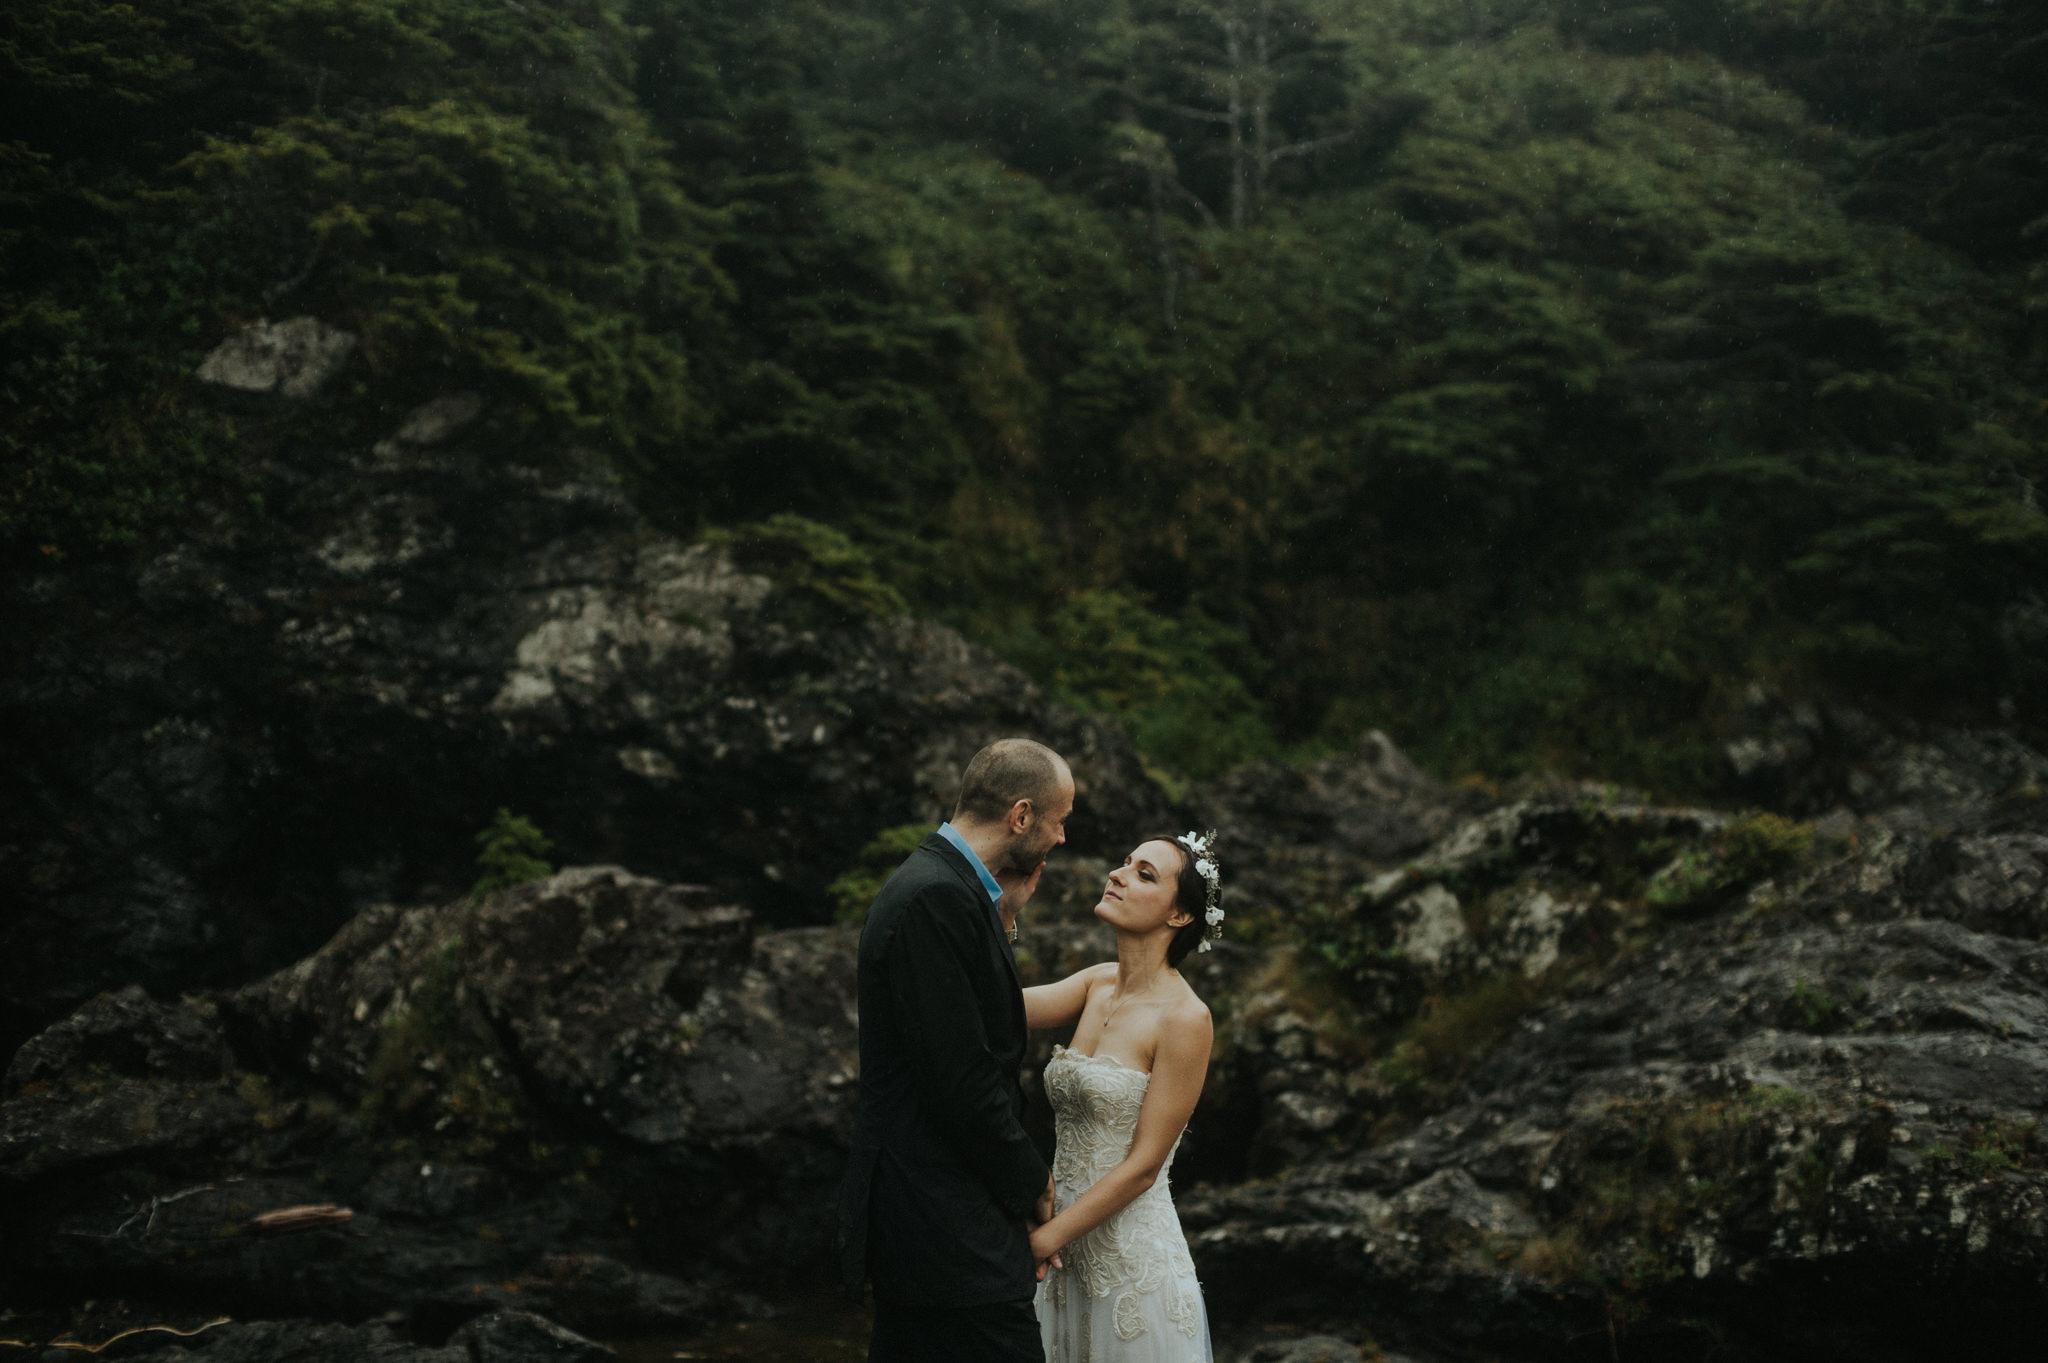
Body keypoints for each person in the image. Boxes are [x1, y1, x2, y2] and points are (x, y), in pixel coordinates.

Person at [837, 738, 1076, 1362]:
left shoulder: (949, 890)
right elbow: (962, 1079)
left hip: (937, 1218)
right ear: (1021, 816)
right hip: (943, 1224)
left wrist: (1003, 919)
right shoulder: (934, 898)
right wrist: (1032, 1183)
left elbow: (973, 1026)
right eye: (1059, 820)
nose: (1060, 837)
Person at [1023, 831, 1222, 1363]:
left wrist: (1042, 1243)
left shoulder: (1186, 1018)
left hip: (1131, 1273)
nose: (1118, 874)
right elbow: (991, 1005)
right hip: (1063, 1267)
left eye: (1144, 874)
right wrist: (999, 909)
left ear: (1179, 916)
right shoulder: (1096, 984)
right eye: (1125, 863)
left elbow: (1144, 1166)